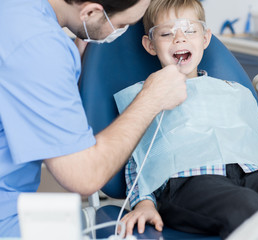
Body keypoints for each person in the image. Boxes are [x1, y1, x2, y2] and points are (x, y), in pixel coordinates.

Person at [114, 0, 258, 239]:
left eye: (190, 30)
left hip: (251, 173)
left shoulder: (233, 92)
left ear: (205, 38)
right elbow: (139, 157)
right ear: (150, 44)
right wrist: (143, 202)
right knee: (246, 206)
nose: (179, 39)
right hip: (188, 183)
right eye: (166, 33)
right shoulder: (147, 96)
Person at [0, 0, 188, 237]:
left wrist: (62, 74)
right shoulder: (39, 45)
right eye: (122, 24)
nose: (120, 33)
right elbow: (83, 175)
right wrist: (151, 98)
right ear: (90, 12)